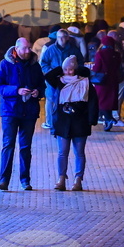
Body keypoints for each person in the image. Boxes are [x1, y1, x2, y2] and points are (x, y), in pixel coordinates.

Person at [0, 37, 44, 191]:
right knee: (8, 145)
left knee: (26, 147)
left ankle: (25, 180)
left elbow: (42, 85)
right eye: (25, 48)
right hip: (10, 110)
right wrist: (16, 90)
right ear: (16, 48)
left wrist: (38, 92)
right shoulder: (5, 64)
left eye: (29, 48)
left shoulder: (34, 65)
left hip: (29, 111)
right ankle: (4, 180)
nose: (28, 51)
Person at [45, 56, 94, 191]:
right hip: (62, 122)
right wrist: (62, 66)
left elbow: (93, 101)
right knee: (62, 152)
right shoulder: (58, 81)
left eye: (71, 69)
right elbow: (48, 76)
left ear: (75, 69)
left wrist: (91, 120)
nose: (68, 72)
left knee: (79, 153)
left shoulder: (85, 82)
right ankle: (61, 179)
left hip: (80, 121)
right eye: (65, 69)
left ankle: (78, 180)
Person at [40, 28, 83, 130]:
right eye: (59, 37)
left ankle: (64, 123)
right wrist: (51, 72)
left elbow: (80, 62)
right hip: (53, 80)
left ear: (67, 38)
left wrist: (74, 72)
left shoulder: (73, 49)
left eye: (63, 37)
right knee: (51, 99)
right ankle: (50, 123)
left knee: (67, 100)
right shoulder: (51, 49)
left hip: (68, 79)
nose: (61, 39)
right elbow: (43, 63)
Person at [91, 35, 121, 131]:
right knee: (109, 101)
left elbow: (97, 68)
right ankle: (109, 119)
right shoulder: (117, 54)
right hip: (113, 80)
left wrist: (92, 69)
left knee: (101, 101)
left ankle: (108, 119)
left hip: (102, 81)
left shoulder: (100, 53)